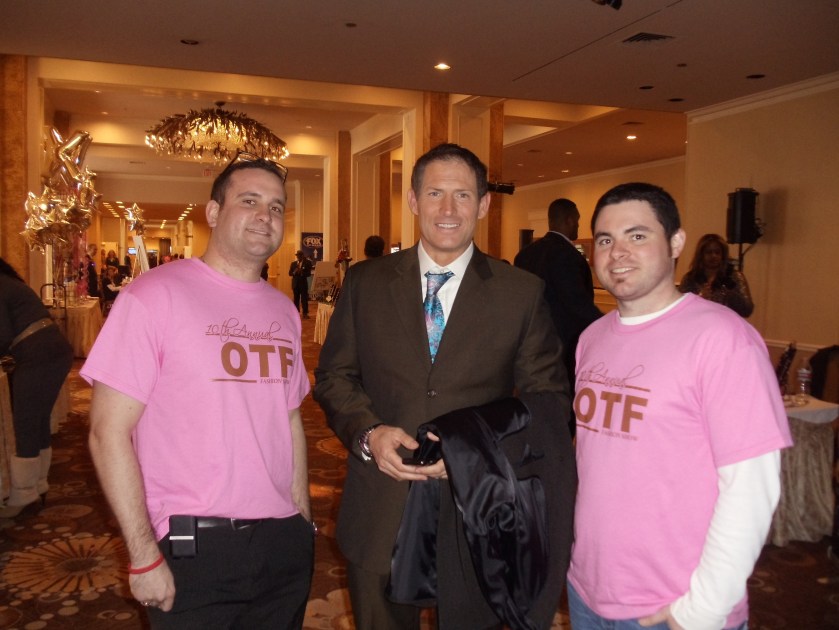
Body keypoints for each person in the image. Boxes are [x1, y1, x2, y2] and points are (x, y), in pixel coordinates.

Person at [314, 143, 575, 630]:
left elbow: (547, 403)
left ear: (484, 204)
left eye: (463, 195)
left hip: (477, 510)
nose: (448, 209)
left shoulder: (520, 292)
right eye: (435, 193)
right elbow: (334, 376)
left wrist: (469, 451)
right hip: (382, 502)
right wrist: (369, 433)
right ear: (414, 200)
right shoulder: (366, 283)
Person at [82, 154, 314, 628]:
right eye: (249, 201)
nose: (265, 216)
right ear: (213, 212)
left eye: (276, 207)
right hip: (193, 547)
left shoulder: (284, 311)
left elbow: (289, 421)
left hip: (282, 544)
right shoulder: (153, 295)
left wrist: (303, 524)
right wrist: (143, 555)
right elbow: (108, 432)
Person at [568, 182, 791, 630]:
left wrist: (703, 609)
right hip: (588, 591)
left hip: (673, 606)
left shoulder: (723, 339)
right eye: (605, 240)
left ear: (675, 243)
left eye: (637, 235)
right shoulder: (592, 338)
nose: (617, 253)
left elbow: (751, 488)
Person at [514, 198, 601, 434]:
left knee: (532, 401)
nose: (578, 227)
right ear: (569, 220)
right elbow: (577, 304)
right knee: (564, 407)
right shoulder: (569, 257)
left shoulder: (525, 255)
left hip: (528, 345)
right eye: (577, 221)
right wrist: (607, 327)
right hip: (564, 346)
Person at [0, 257, 74, 518]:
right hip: (52, 349)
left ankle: (24, 493)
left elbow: (3, 334)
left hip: (37, 353)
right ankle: (38, 484)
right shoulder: (10, 282)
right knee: (38, 419)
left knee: (26, 421)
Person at [679, 233, 754, 317]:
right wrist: (700, 297)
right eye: (709, 252)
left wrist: (731, 291)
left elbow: (747, 310)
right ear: (701, 255)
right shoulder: (690, 279)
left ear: (723, 255)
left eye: (717, 252)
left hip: (726, 322)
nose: (713, 256)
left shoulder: (734, 277)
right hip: (699, 322)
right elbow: (680, 309)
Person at [288, 250, 312, 319]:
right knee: (296, 299)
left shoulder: (307, 263)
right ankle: (296, 313)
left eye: (300, 255)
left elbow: (309, 274)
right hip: (295, 284)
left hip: (303, 283)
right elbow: (289, 273)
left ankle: (305, 313)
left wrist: (302, 272)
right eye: (297, 256)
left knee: (304, 299)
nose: (298, 257)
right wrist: (294, 272)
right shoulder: (293, 264)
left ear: (302, 256)